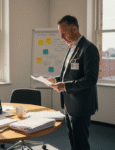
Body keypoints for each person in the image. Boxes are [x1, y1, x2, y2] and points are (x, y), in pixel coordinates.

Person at [45, 15, 99, 150]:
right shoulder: (71, 48)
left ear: (75, 29)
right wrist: (57, 80)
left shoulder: (89, 48)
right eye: (60, 34)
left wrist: (64, 86)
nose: (61, 38)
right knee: (73, 141)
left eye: (64, 33)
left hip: (81, 106)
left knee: (80, 143)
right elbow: (70, 74)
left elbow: (91, 79)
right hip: (70, 105)